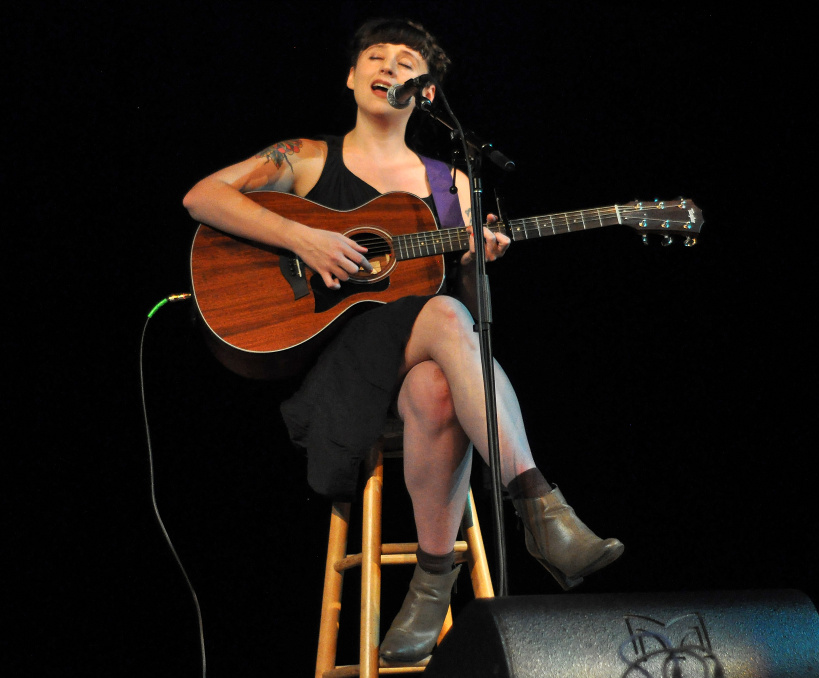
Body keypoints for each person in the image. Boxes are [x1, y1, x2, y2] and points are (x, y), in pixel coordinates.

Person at [183, 17, 623, 663]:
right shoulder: (305, 157)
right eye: (376, 57)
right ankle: (539, 506)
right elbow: (202, 197)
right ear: (352, 76)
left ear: (426, 93)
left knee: (437, 380)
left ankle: (431, 577)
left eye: (407, 62)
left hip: (419, 367)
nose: (389, 67)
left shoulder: (453, 185)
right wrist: (307, 238)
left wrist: (476, 262)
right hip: (332, 369)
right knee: (443, 320)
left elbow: (472, 317)